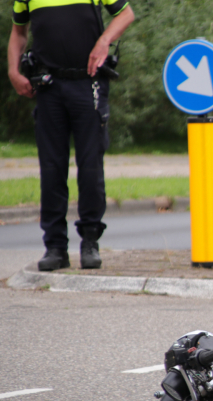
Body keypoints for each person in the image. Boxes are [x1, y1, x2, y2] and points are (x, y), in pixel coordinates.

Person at [7, 0, 134, 270]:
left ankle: (90, 242)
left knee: (90, 166)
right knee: (52, 169)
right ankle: (55, 247)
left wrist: (104, 41)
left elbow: (125, 14)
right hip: (49, 87)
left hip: (88, 83)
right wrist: (12, 71)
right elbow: (19, 31)